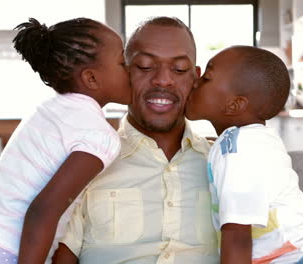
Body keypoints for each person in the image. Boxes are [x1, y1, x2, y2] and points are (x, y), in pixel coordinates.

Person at [0, 17, 131, 264]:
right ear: (91, 78)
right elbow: (44, 210)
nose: (131, 69)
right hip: (9, 255)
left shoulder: (47, 109)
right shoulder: (99, 136)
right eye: (122, 62)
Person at [51, 16, 219, 264]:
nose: (163, 79)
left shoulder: (222, 165)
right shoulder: (86, 161)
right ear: (123, 73)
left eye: (179, 69)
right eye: (144, 66)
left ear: (194, 77)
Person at [185, 45, 303, 263]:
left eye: (206, 78)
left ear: (234, 104)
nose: (195, 80)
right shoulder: (248, 141)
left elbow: (237, 236)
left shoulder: (236, 149)